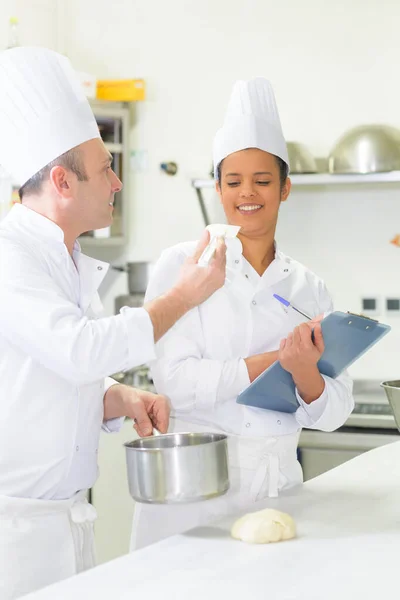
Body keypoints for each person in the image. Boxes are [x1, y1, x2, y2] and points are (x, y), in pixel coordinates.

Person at [0, 47, 226, 599]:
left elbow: (47, 372)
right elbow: (79, 350)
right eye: (106, 169)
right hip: (15, 533)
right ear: (63, 181)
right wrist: (183, 296)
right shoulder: (12, 255)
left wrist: (114, 396)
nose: (117, 183)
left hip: (64, 524)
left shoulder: (66, 257)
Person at [130, 77, 354, 550]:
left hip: (277, 492)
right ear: (217, 188)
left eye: (262, 180)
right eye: (233, 181)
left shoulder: (308, 287)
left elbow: (334, 411)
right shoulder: (183, 265)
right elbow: (175, 382)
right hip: (194, 491)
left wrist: (305, 374)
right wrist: (277, 360)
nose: (247, 192)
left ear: (285, 187)